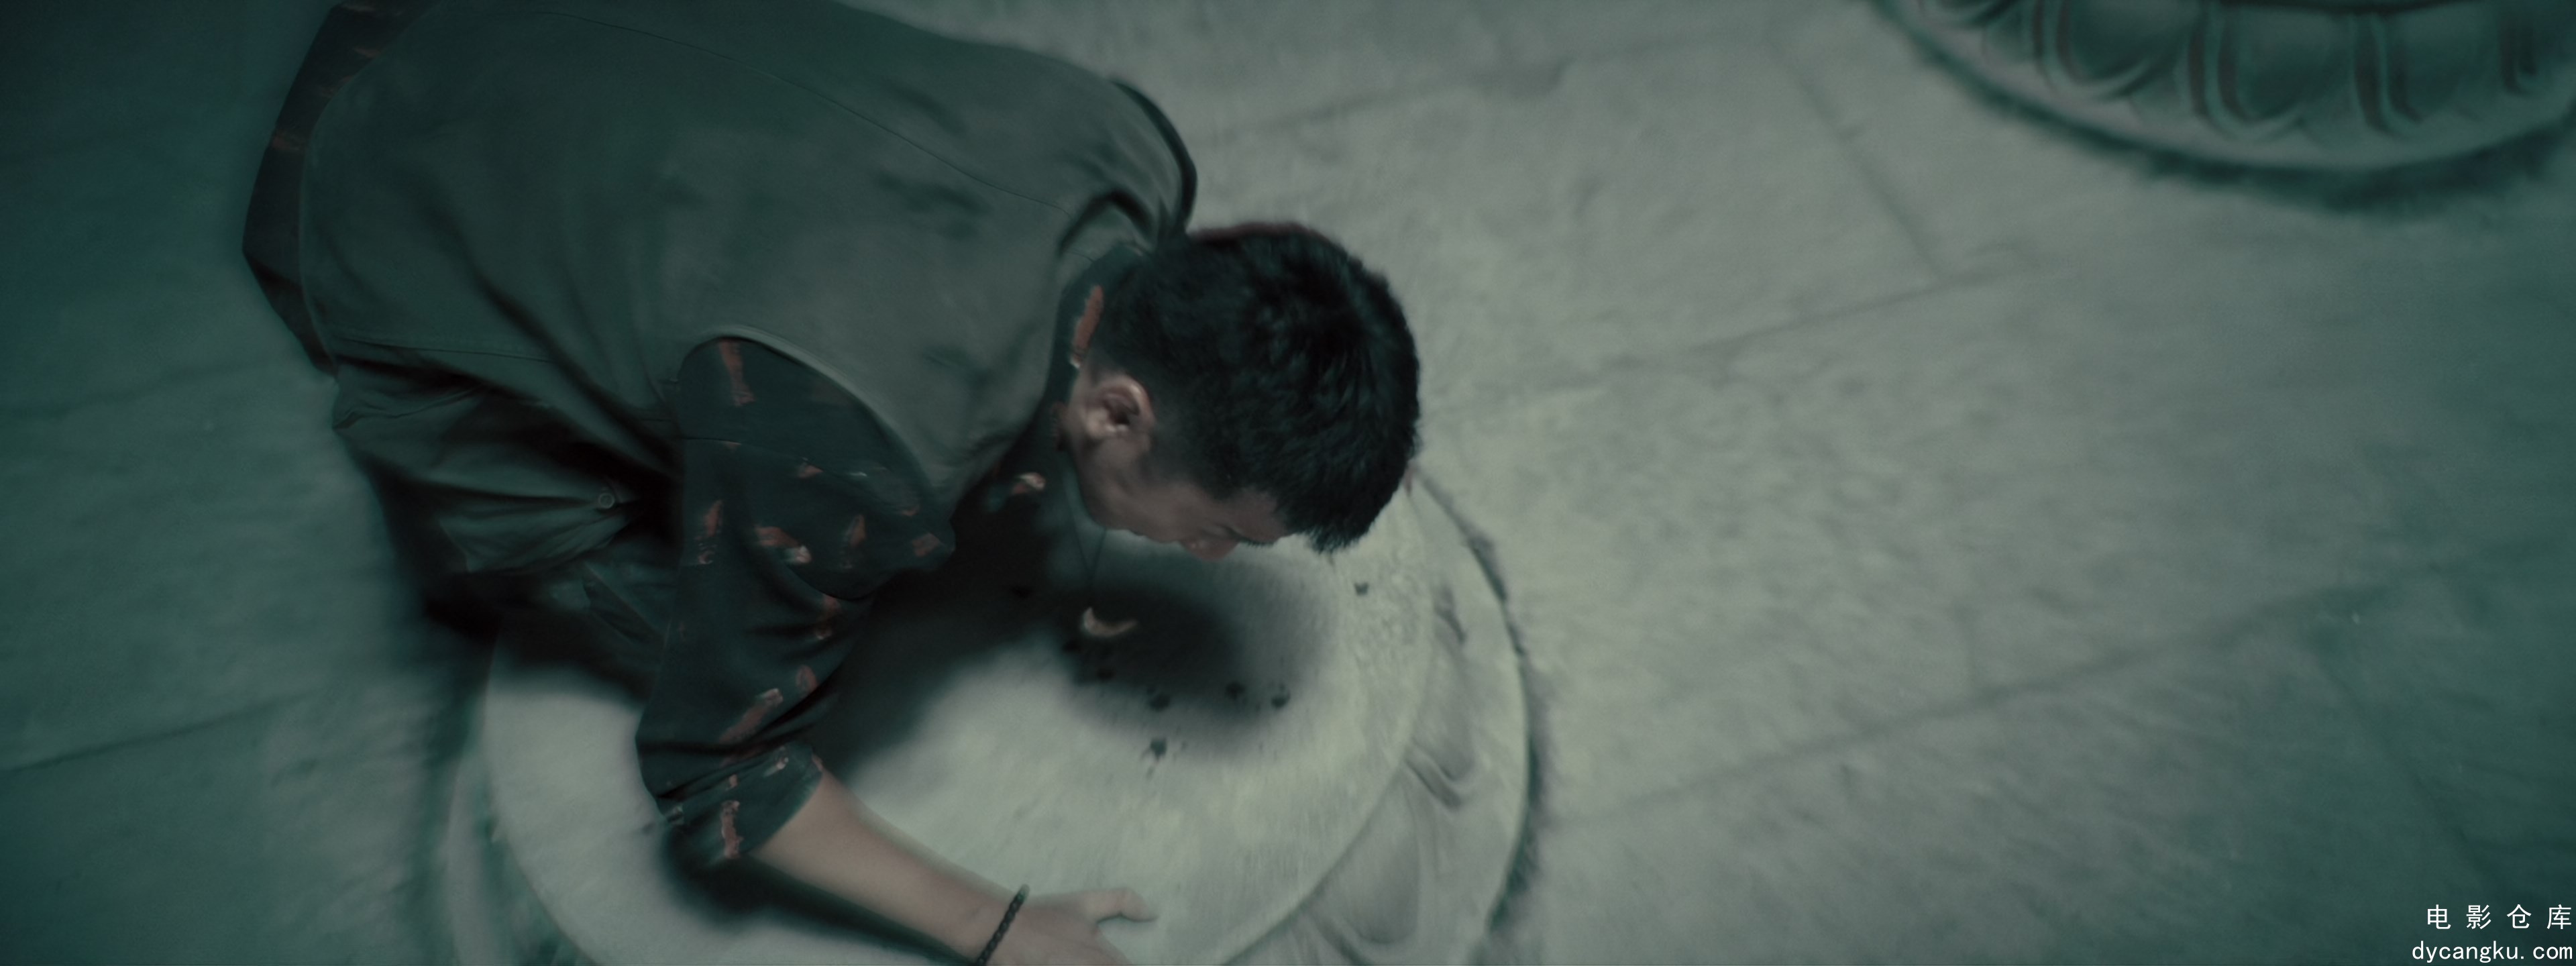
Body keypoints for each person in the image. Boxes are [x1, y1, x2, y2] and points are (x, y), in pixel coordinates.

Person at [239, 1, 1422, 963]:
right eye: (1222, 531)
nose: (1209, 559)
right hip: (363, 187)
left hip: (546, 39)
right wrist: (1000, 928)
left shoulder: (1134, 150)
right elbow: (717, 779)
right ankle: (472, 526)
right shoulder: (851, 458)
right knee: (721, 632)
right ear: (1117, 411)